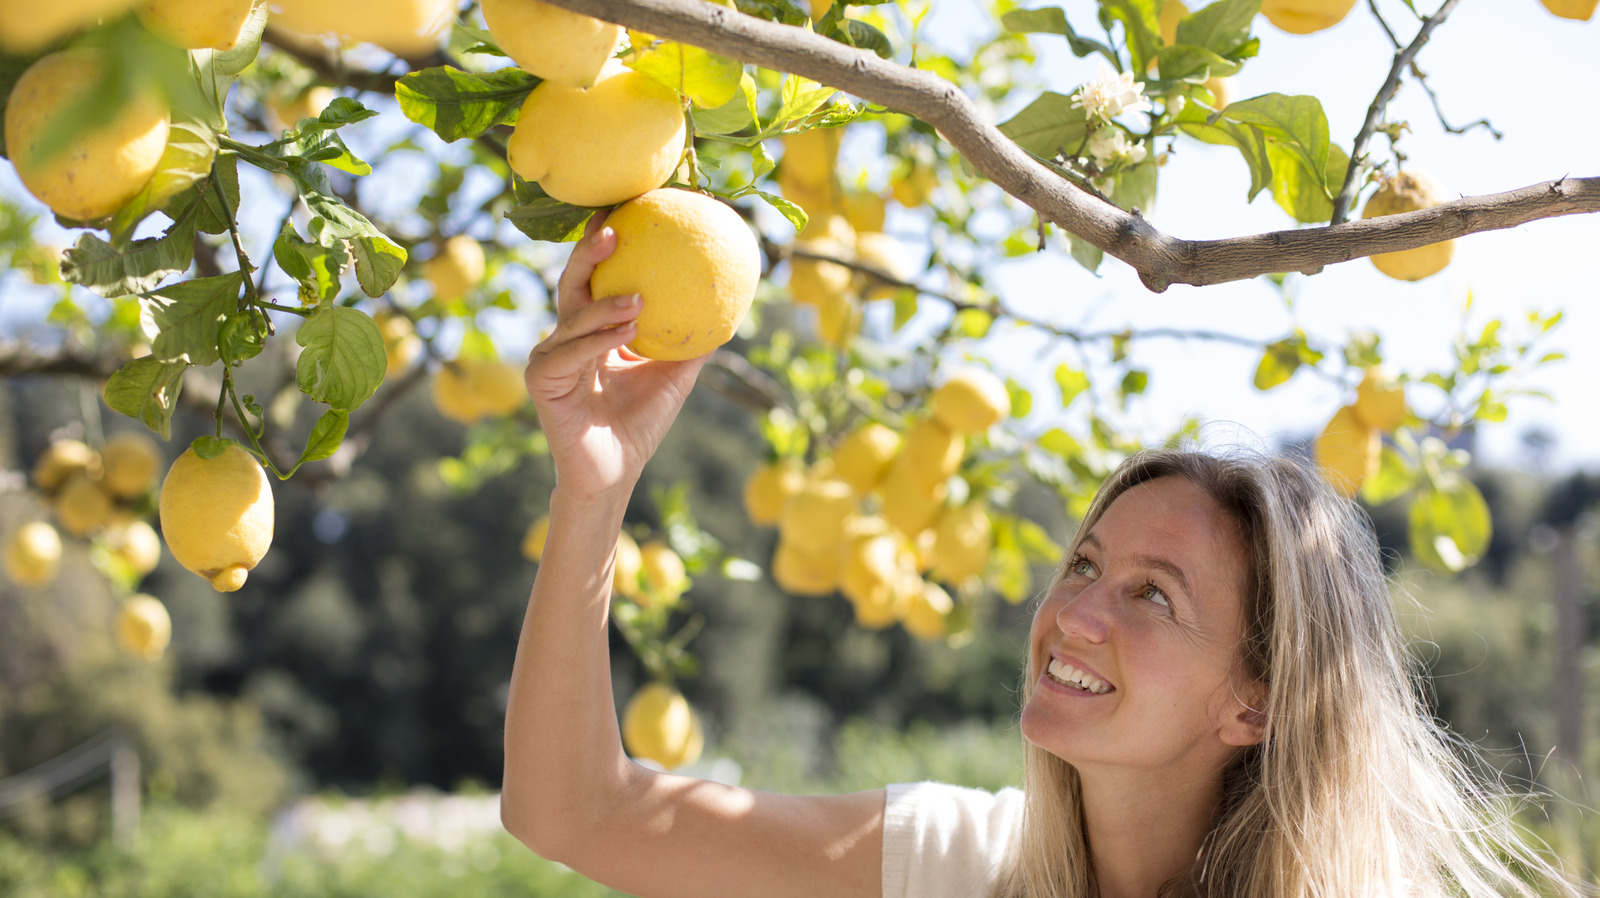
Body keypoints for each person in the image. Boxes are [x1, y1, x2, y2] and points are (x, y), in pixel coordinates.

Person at [501, 212, 1594, 898]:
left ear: (1255, 703)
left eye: (1151, 596)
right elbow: (574, 813)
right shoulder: (943, 863)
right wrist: (595, 489)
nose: (1074, 614)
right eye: (1083, 566)